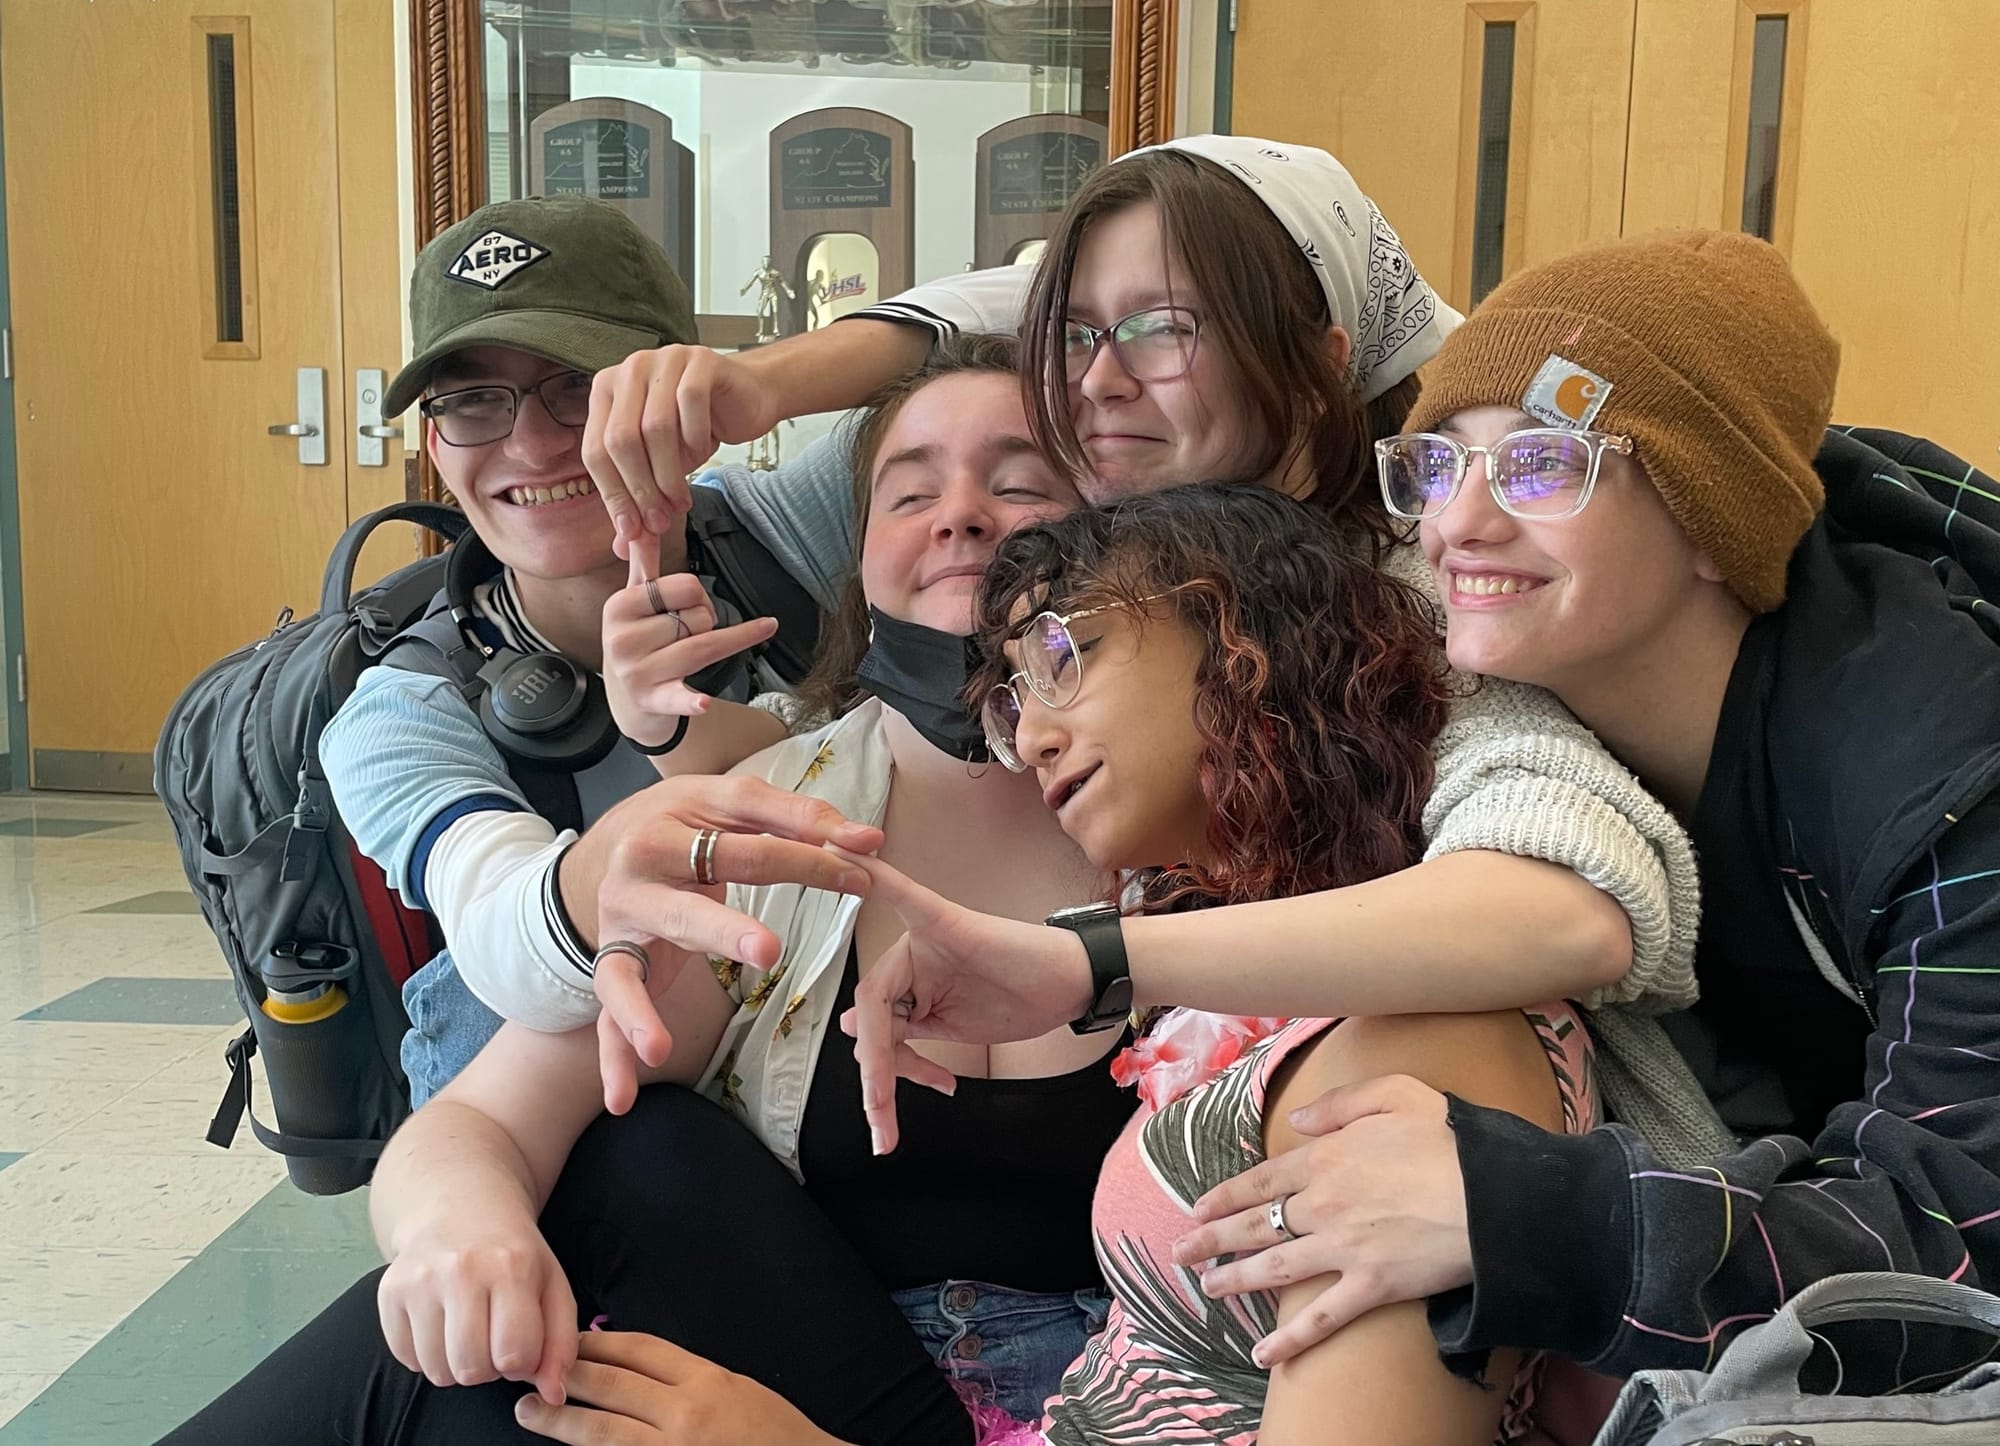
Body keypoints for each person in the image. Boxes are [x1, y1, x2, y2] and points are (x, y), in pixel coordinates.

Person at [587, 134, 1718, 1163]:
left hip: (1454, 1190)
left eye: (1163, 329)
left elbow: (1569, 902)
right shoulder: (1092, 610)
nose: (1095, 380)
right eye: (1076, 336)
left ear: (1318, 359)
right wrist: (666, 726)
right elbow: (858, 748)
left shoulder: (1420, 609)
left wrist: (1094, 963)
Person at [157, 336, 1131, 1446]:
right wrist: (461, 1238)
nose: (958, 515)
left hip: (1102, 1416)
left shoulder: (1229, 837)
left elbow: (1117, 277)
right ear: (856, 561)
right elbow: (480, 1115)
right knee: (602, 1182)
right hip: (785, 1374)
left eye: (1019, 484)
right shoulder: (757, 824)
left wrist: (764, 381)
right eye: (909, 492)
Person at [1091, 231, 2000, 1393]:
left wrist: (1515, 1215)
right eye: (1435, 465)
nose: (1454, 528)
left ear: (1711, 519)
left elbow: (1959, 1248)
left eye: (1539, 466)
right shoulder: (1507, 699)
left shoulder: (1941, 774)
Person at [517, 484, 1605, 1446]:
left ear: (1246, 637)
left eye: (1059, 657)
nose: (1030, 736)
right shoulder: (1243, 980)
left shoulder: (1429, 1034)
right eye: (1009, 701)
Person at [321, 195, 826, 1106]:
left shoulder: (803, 533)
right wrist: (615, 874)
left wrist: (772, 382)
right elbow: (499, 928)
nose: (532, 444)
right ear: (436, 443)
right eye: (472, 401)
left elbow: (1047, 321)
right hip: (607, 1132)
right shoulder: (401, 713)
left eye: (582, 387)